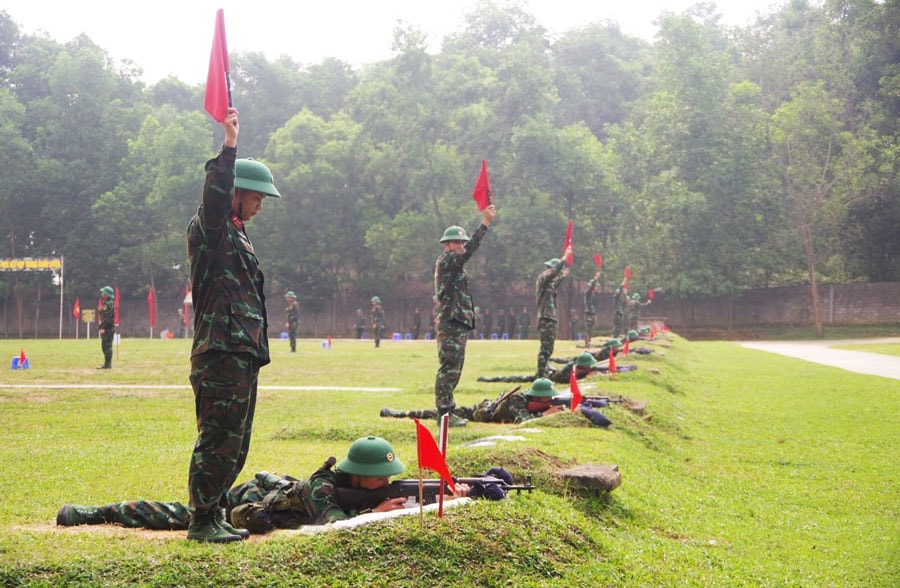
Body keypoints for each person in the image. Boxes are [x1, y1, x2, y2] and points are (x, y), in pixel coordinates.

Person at [185, 107, 281, 543]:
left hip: (240, 351)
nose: (262, 204)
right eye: (258, 196)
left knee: (235, 442)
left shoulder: (238, 232)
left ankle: (217, 511)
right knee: (219, 437)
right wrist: (229, 145)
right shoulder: (214, 226)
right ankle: (202, 520)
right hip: (220, 351)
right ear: (236, 192)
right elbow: (214, 195)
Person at [56, 436, 450, 536]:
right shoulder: (323, 489)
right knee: (182, 514)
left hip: (269, 491)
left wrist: (453, 494)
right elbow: (333, 527)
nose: (386, 483)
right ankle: (99, 512)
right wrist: (378, 513)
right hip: (251, 501)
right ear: (357, 474)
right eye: (380, 478)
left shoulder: (356, 485)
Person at [433, 204, 497, 427]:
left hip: (457, 322)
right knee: (448, 369)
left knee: (454, 368)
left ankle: (448, 412)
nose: (461, 245)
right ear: (447, 245)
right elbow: (470, 250)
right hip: (451, 323)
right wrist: (485, 222)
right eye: (457, 242)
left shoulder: (455, 266)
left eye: (462, 242)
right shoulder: (447, 261)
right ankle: (444, 414)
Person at [382, 377, 565, 424]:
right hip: (479, 413)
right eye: (548, 398)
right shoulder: (518, 399)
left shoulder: (529, 398)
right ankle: (398, 413)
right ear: (538, 396)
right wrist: (545, 414)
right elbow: (523, 420)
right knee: (438, 414)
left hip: (482, 410)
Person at [534, 246, 572, 377]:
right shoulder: (542, 279)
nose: (548, 270)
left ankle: (543, 372)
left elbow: (556, 283)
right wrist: (565, 257)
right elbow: (553, 274)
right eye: (549, 268)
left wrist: (564, 276)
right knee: (545, 349)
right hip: (546, 318)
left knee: (549, 349)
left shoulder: (549, 284)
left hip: (550, 318)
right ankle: (540, 376)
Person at [478, 351, 606, 384]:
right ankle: (487, 379)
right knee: (515, 378)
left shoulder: (577, 368)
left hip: (550, 373)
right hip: (546, 376)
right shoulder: (570, 369)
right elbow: (567, 379)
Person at [96, 286, 115, 369]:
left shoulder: (108, 304)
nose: (102, 294)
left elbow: (107, 318)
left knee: (107, 346)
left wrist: (102, 327)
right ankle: (107, 363)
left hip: (108, 328)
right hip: (108, 327)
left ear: (107, 295)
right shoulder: (107, 303)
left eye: (103, 293)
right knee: (105, 346)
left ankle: (108, 364)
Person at [583, 271, 601, 347]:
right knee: (588, 328)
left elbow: (594, 305)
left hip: (592, 313)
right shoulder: (588, 293)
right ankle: (587, 342)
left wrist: (595, 314)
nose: (598, 288)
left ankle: (589, 341)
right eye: (596, 286)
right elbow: (590, 288)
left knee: (591, 328)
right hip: (588, 313)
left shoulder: (594, 295)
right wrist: (595, 278)